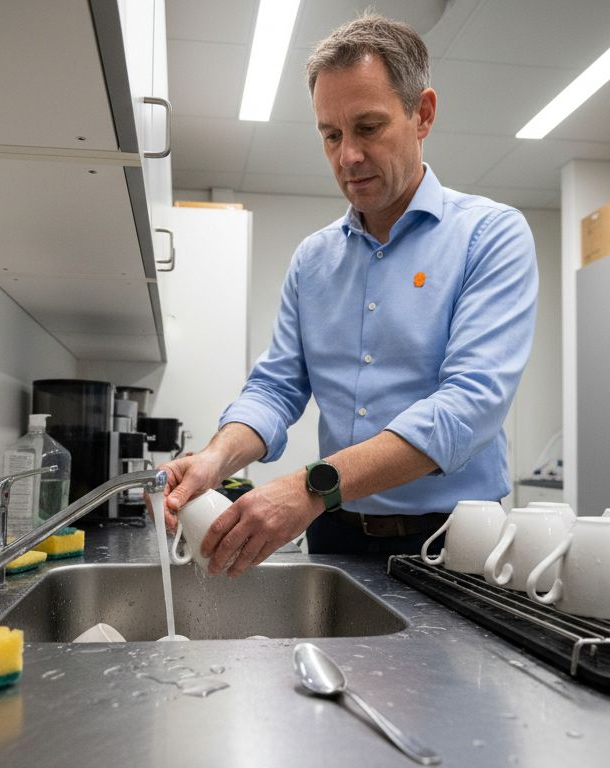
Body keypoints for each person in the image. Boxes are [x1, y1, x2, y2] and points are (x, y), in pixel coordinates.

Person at [159, 14, 538, 576]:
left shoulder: (490, 235)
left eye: (368, 127)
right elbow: (275, 389)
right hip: (335, 535)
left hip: (454, 541)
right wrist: (215, 458)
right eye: (331, 135)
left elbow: (467, 409)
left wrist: (311, 487)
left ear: (422, 114)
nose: (348, 156)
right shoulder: (315, 260)